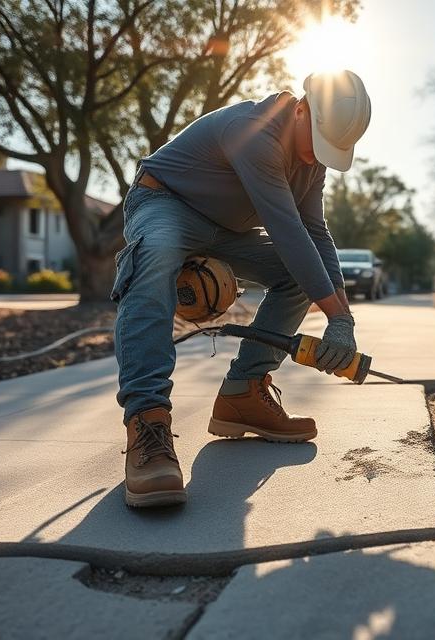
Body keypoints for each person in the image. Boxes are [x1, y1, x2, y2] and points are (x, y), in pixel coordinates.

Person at [111, 70, 372, 508]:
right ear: (301, 108)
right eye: (318, 142)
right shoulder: (255, 132)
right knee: (153, 255)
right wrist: (336, 314)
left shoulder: (314, 163)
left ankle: (242, 393)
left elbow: (315, 233)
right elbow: (287, 232)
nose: (314, 157)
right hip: (164, 202)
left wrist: (342, 318)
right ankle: (147, 420)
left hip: (223, 228)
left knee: (298, 279)